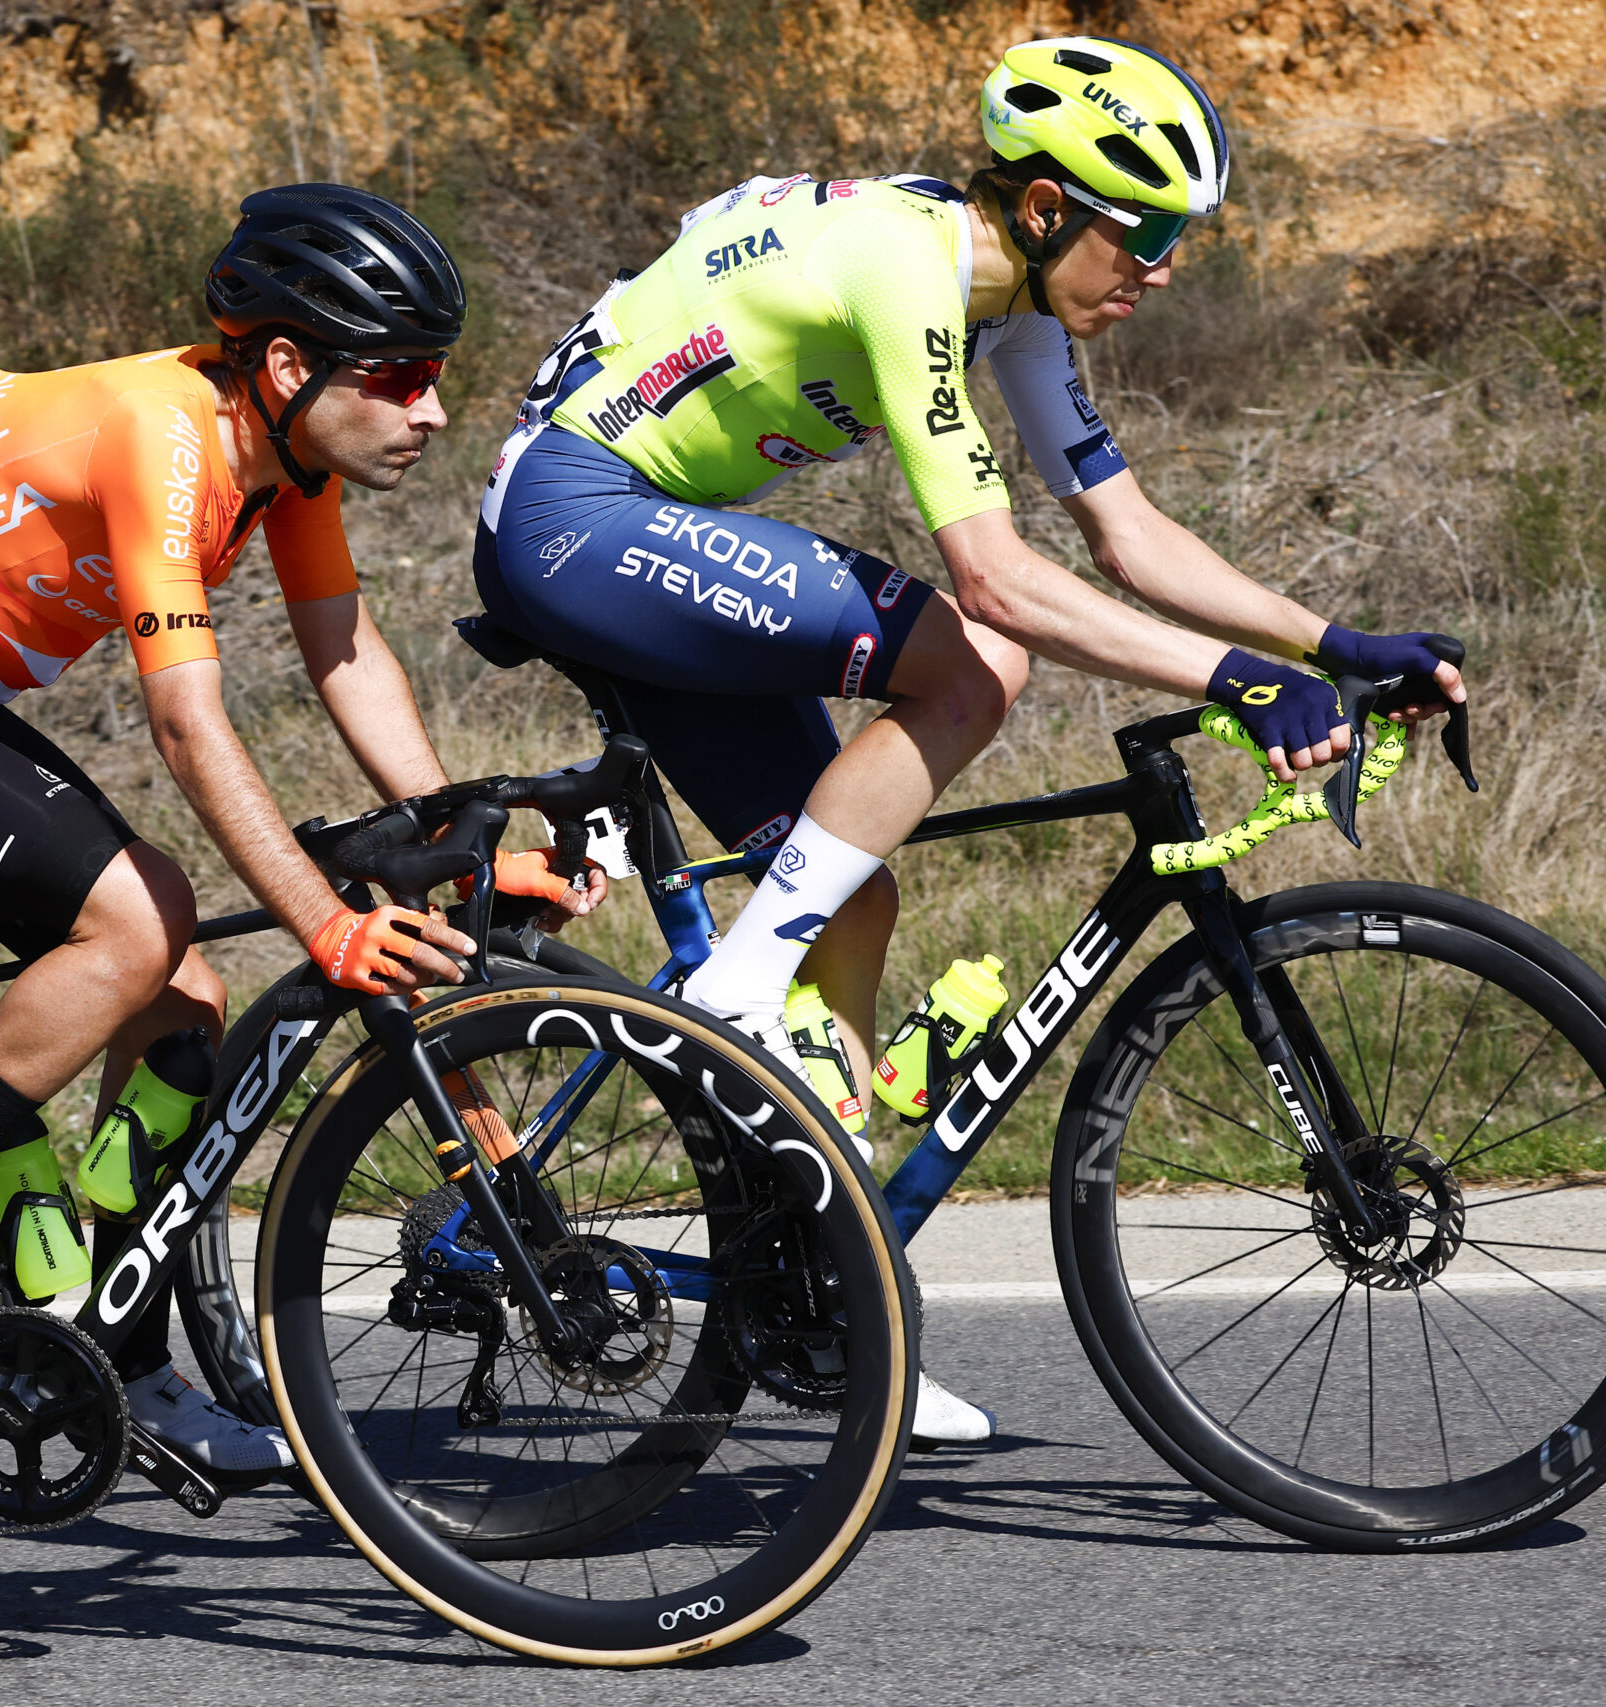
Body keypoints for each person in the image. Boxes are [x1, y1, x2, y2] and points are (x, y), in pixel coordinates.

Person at [469, 38, 1463, 1442]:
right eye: (1145, 234)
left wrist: (1329, 644)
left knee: (850, 896)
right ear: (1047, 206)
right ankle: (734, 994)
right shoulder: (906, 263)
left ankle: (830, 1300)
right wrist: (1234, 682)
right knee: (977, 658)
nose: (1160, 270)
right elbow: (995, 581)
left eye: (1176, 241)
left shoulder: (1014, 308)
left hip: (638, 529)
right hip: (575, 517)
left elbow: (1124, 535)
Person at [0, 183, 592, 1479]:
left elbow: (345, 652)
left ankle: (114, 1359)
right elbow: (188, 726)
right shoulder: (164, 434)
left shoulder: (285, 461)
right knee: (145, 919)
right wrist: (326, 925)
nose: (429, 409)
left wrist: (463, 845)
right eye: (400, 375)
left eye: (435, 375)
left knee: (182, 1005)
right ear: (291, 367)